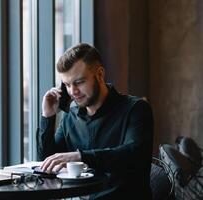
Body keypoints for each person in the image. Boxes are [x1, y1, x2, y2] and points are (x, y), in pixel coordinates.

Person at [37, 43, 154, 199]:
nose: (73, 91)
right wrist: (48, 116)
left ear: (99, 74)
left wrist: (81, 156)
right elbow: (48, 161)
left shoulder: (136, 109)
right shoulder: (69, 117)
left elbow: (133, 155)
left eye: (79, 82)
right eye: (67, 85)